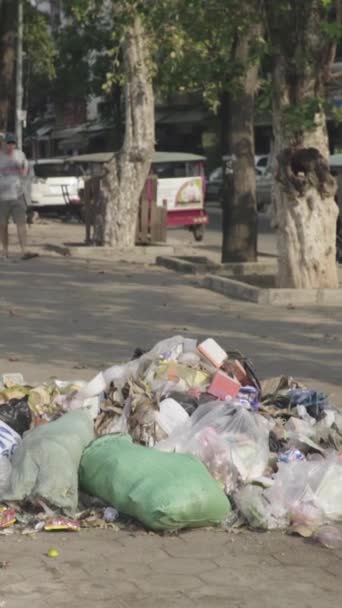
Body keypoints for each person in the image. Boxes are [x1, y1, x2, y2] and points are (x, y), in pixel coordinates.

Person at [0, 133, 37, 259]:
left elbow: (25, 172)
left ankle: (24, 251)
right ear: (3, 143)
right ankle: (5, 251)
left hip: (18, 195)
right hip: (2, 197)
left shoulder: (20, 155)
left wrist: (21, 168)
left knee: (21, 224)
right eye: (8, 143)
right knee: (3, 225)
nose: (10, 146)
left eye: (12, 143)